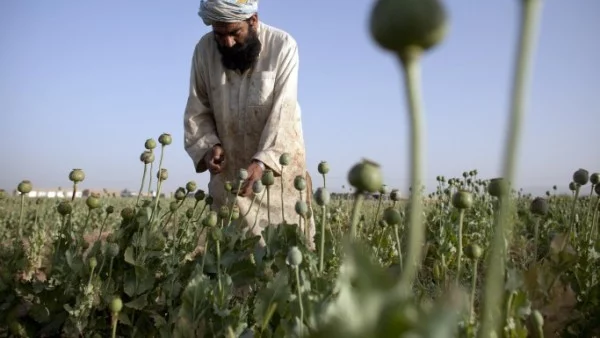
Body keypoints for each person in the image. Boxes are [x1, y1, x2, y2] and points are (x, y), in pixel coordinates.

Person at [183, 0, 315, 250]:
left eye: (235, 32)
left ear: (253, 20)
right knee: (231, 264)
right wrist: (209, 145)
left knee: (282, 260)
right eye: (219, 34)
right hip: (230, 180)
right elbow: (197, 109)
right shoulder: (204, 51)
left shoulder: (283, 46)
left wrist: (263, 161)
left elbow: (283, 112)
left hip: (277, 179)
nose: (227, 43)